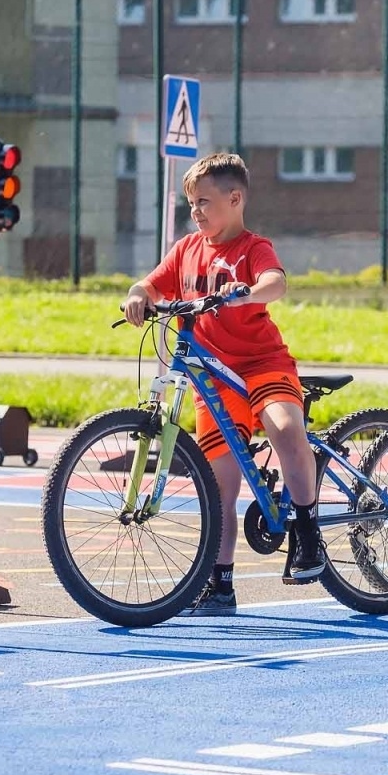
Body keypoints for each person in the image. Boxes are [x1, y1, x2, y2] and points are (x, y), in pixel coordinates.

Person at [122, 152, 326, 616]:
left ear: (235, 199)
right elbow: (151, 284)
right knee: (219, 488)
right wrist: (137, 296)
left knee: (285, 428)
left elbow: (275, 282)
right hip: (213, 376)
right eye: (191, 203)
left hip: (261, 364)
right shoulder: (186, 250)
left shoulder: (253, 248)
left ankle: (307, 532)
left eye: (204, 202)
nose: (195, 212)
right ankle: (220, 584)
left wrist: (246, 294)